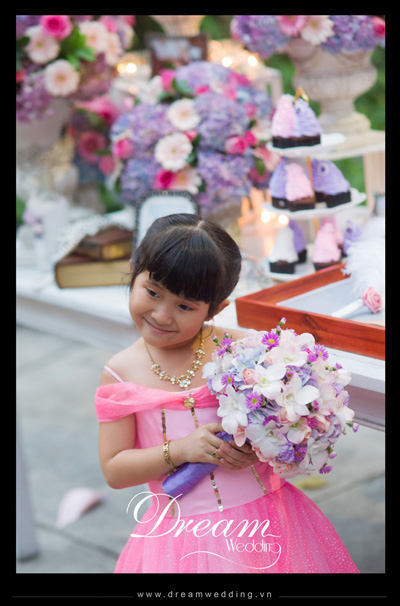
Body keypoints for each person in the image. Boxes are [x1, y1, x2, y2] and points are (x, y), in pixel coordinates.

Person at [95, 213, 359, 574]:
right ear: (133, 270)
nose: (162, 315)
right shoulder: (120, 373)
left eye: (185, 306)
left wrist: (262, 448)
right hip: (180, 539)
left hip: (267, 522)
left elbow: (285, 423)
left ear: (216, 308)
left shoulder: (245, 353)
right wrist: (180, 450)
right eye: (152, 292)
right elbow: (114, 469)